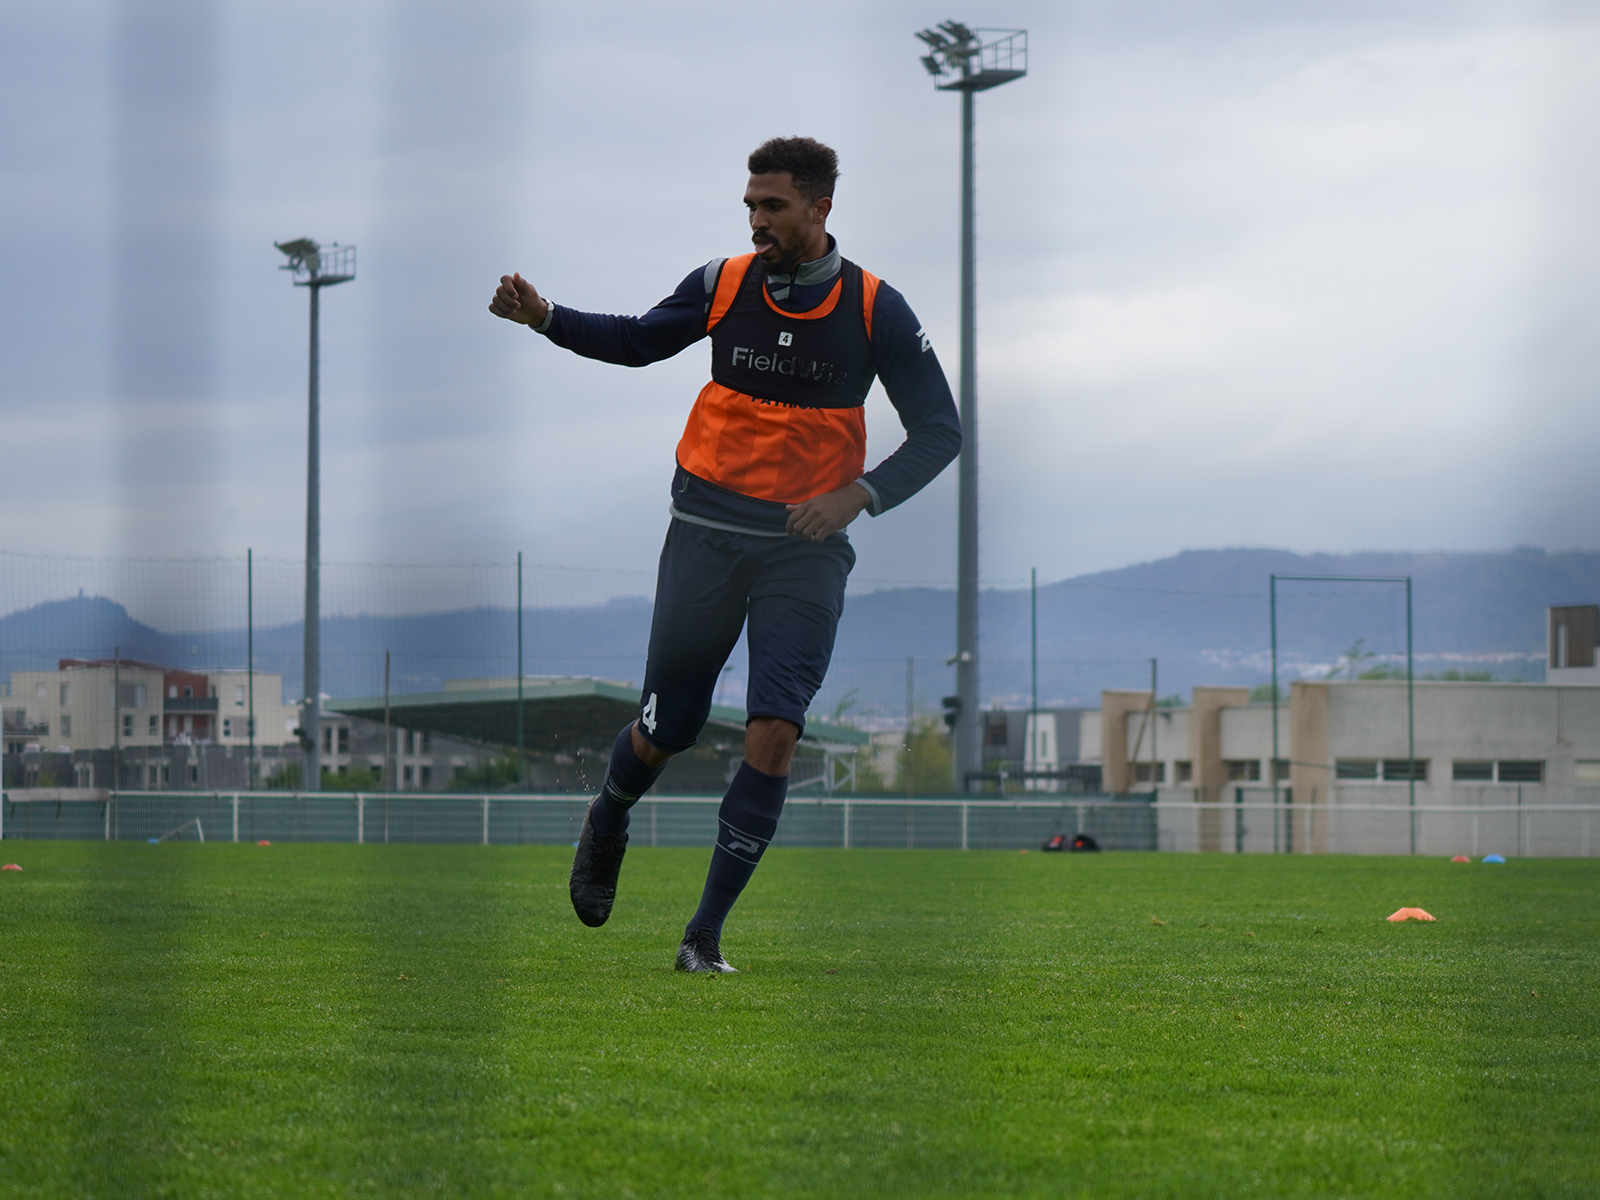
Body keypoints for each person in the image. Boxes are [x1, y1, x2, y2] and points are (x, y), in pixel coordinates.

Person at [489, 136, 959, 972]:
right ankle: (608, 815)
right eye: (750, 205)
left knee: (776, 730)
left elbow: (940, 432)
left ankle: (703, 937)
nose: (756, 220)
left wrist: (857, 494)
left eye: (772, 206)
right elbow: (637, 340)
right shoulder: (722, 284)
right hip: (705, 535)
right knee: (669, 728)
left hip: (805, 550)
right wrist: (547, 317)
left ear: (820, 210)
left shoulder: (877, 308)